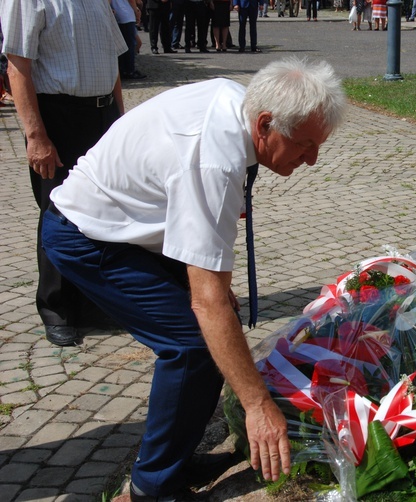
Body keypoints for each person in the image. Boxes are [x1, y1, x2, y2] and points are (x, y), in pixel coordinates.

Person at [42, 57, 347, 501]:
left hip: (134, 226)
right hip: (86, 236)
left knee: (215, 330)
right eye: (304, 145)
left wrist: (218, 295)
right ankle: (153, 486)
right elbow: (207, 304)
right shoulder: (212, 160)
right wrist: (258, 405)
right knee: (191, 343)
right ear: (264, 124)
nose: (313, 160)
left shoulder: (238, 104)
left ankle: (175, 456)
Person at [0, 0, 127, 347]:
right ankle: (57, 307)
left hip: (102, 116)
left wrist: (120, 121)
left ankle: (92, 301)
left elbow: (112, 64)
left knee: (102, 211)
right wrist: (35, 135)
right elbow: (17, 65)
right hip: (59, 117)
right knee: (58, 213)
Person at [112, 0, 148, 80]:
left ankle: (123, 69)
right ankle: (129, 70)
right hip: (126, 15)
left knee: (122, 45)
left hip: (118, 15)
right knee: (130, 45)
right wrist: (136, 12)